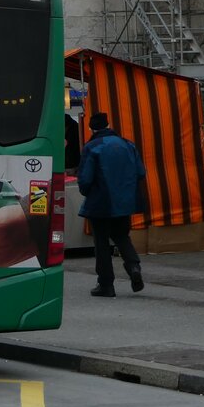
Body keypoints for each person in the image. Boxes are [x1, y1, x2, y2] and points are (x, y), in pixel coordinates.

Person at [77, 112, 146, 297]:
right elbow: (140, 172)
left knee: (101, 243)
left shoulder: (92, 147)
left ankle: (106, 284)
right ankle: (134, 267)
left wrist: (86, 191)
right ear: (108, 124)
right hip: (124, 202)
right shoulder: (127, 144)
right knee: (122, 237)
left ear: (91, 128)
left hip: (101, 202)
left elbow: (85, 179)